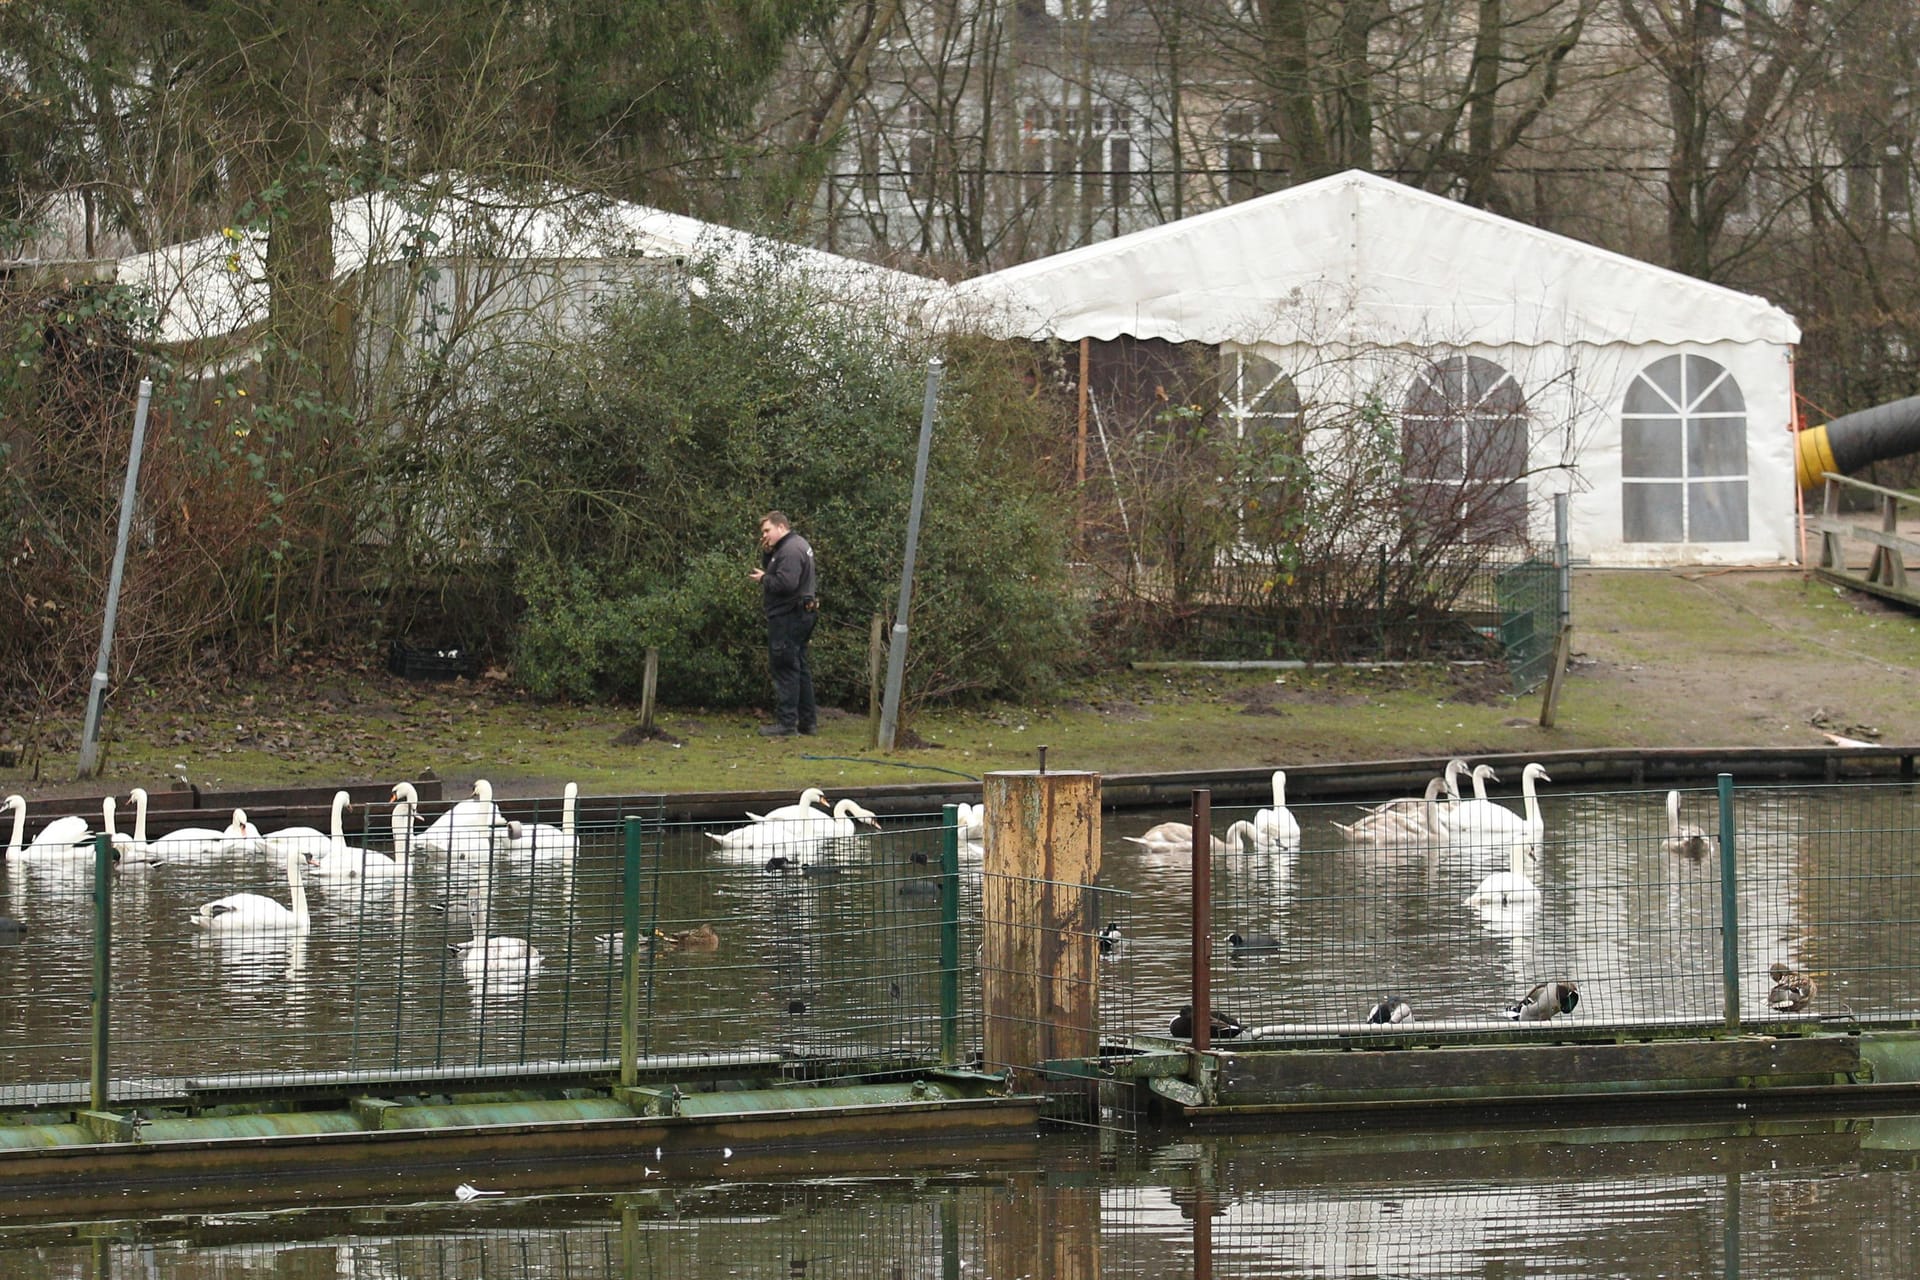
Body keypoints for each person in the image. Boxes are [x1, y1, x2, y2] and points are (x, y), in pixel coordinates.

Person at [750, 510, 817, 736]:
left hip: (788, 616)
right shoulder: (796, 545)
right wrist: (768, 554)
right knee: (799, 667)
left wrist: (764, 579)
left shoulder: (789, 550)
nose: (765, 535)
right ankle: (808, 722)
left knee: (785, 667)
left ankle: (787, 724)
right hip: (802, 614)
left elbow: (786, 583)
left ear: (781, 527)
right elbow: (777, 570)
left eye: (767, 530)